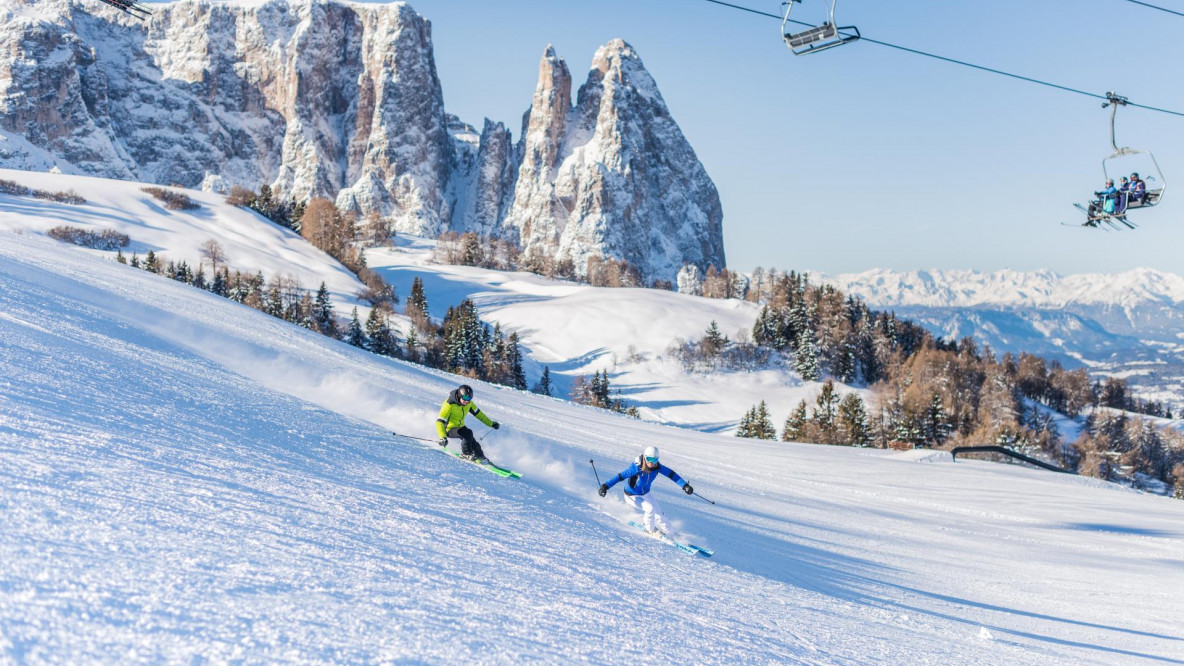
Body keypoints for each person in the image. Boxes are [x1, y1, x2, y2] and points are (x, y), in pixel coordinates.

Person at [598, 446, 693, 537]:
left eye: (654, 460)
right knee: (649, 509)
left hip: (646, 494)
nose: (651, 463)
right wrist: (605, 486)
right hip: (631, 495)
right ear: (644, 457)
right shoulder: (636, 468)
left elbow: (672, 475)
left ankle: (672, 534)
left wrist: (685, 485)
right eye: (649, 459)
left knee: (659, 514)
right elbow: (620, 476)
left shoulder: (657, 467)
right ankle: (650, 530)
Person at [435, 384, 500, 462]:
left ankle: (481, 457)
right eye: (465, 398)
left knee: (474, 444)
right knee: (468, 433)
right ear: (459, 395)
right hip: (449, 429)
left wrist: (491, 424)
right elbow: (439, 422)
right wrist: (442, 437)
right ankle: (466, 454)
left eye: (469, 398)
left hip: (461, 427)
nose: (467, 401)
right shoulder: (449, 404)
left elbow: (479, 415)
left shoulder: (469, 404)